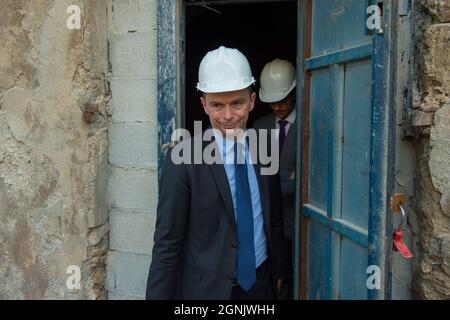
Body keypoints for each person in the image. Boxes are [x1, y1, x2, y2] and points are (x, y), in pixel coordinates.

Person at [146, 46, 287, 300]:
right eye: (217, 105)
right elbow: (167, 245)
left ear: (252, 101)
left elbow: (273, 218)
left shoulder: (265, 146)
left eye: (237, 103)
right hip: (208, 291)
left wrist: (279, 274)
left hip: (261, 284)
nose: (228, 116)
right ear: (204, 105)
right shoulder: (182, 160)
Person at [253, 58, 297, 299]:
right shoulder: (259, 126)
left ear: (294, 90)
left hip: (298, 221)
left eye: (283, 100)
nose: (278, 107)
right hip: (268, 223)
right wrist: (290, 179)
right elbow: (256, 177)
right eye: (272, 102)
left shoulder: (310, 123)